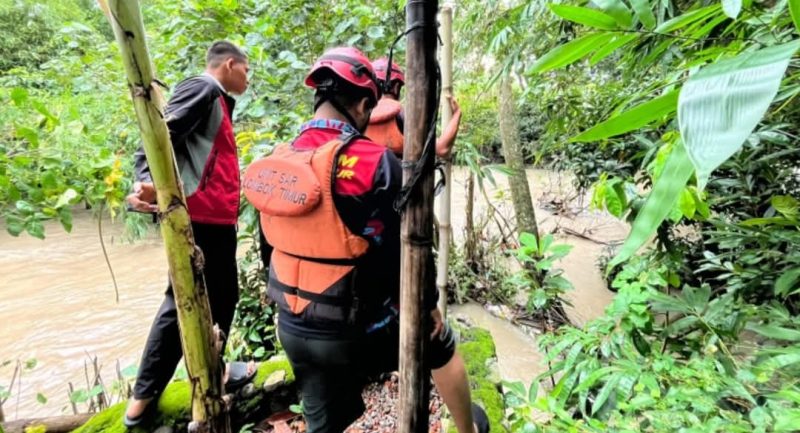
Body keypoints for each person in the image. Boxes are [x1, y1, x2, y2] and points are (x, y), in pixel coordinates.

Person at [243, 46, 488, 433]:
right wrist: (428, 307)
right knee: (439, 343)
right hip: (355, 332)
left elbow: (267, 249)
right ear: (362, 105)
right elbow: (405, 251)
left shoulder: (277, 161)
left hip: (291, 326)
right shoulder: (374, 162)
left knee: (322, 421)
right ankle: (468, 430)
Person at [124, 40, 255, 427]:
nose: (248, 78)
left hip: (212, 218)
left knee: (217, 296)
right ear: (229, 64)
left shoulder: (217, 99)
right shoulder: (203, 87)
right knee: (182, 300)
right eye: (246, 70)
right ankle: (143, 397)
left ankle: (209, 370)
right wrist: (144, 181)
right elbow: (159, 134)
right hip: (200, 217)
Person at [365, 57, 462, 159]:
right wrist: (457, 114)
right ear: (396, 87)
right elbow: (442, 149)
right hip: (398, 169)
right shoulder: (401, 114)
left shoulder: (361, 115)